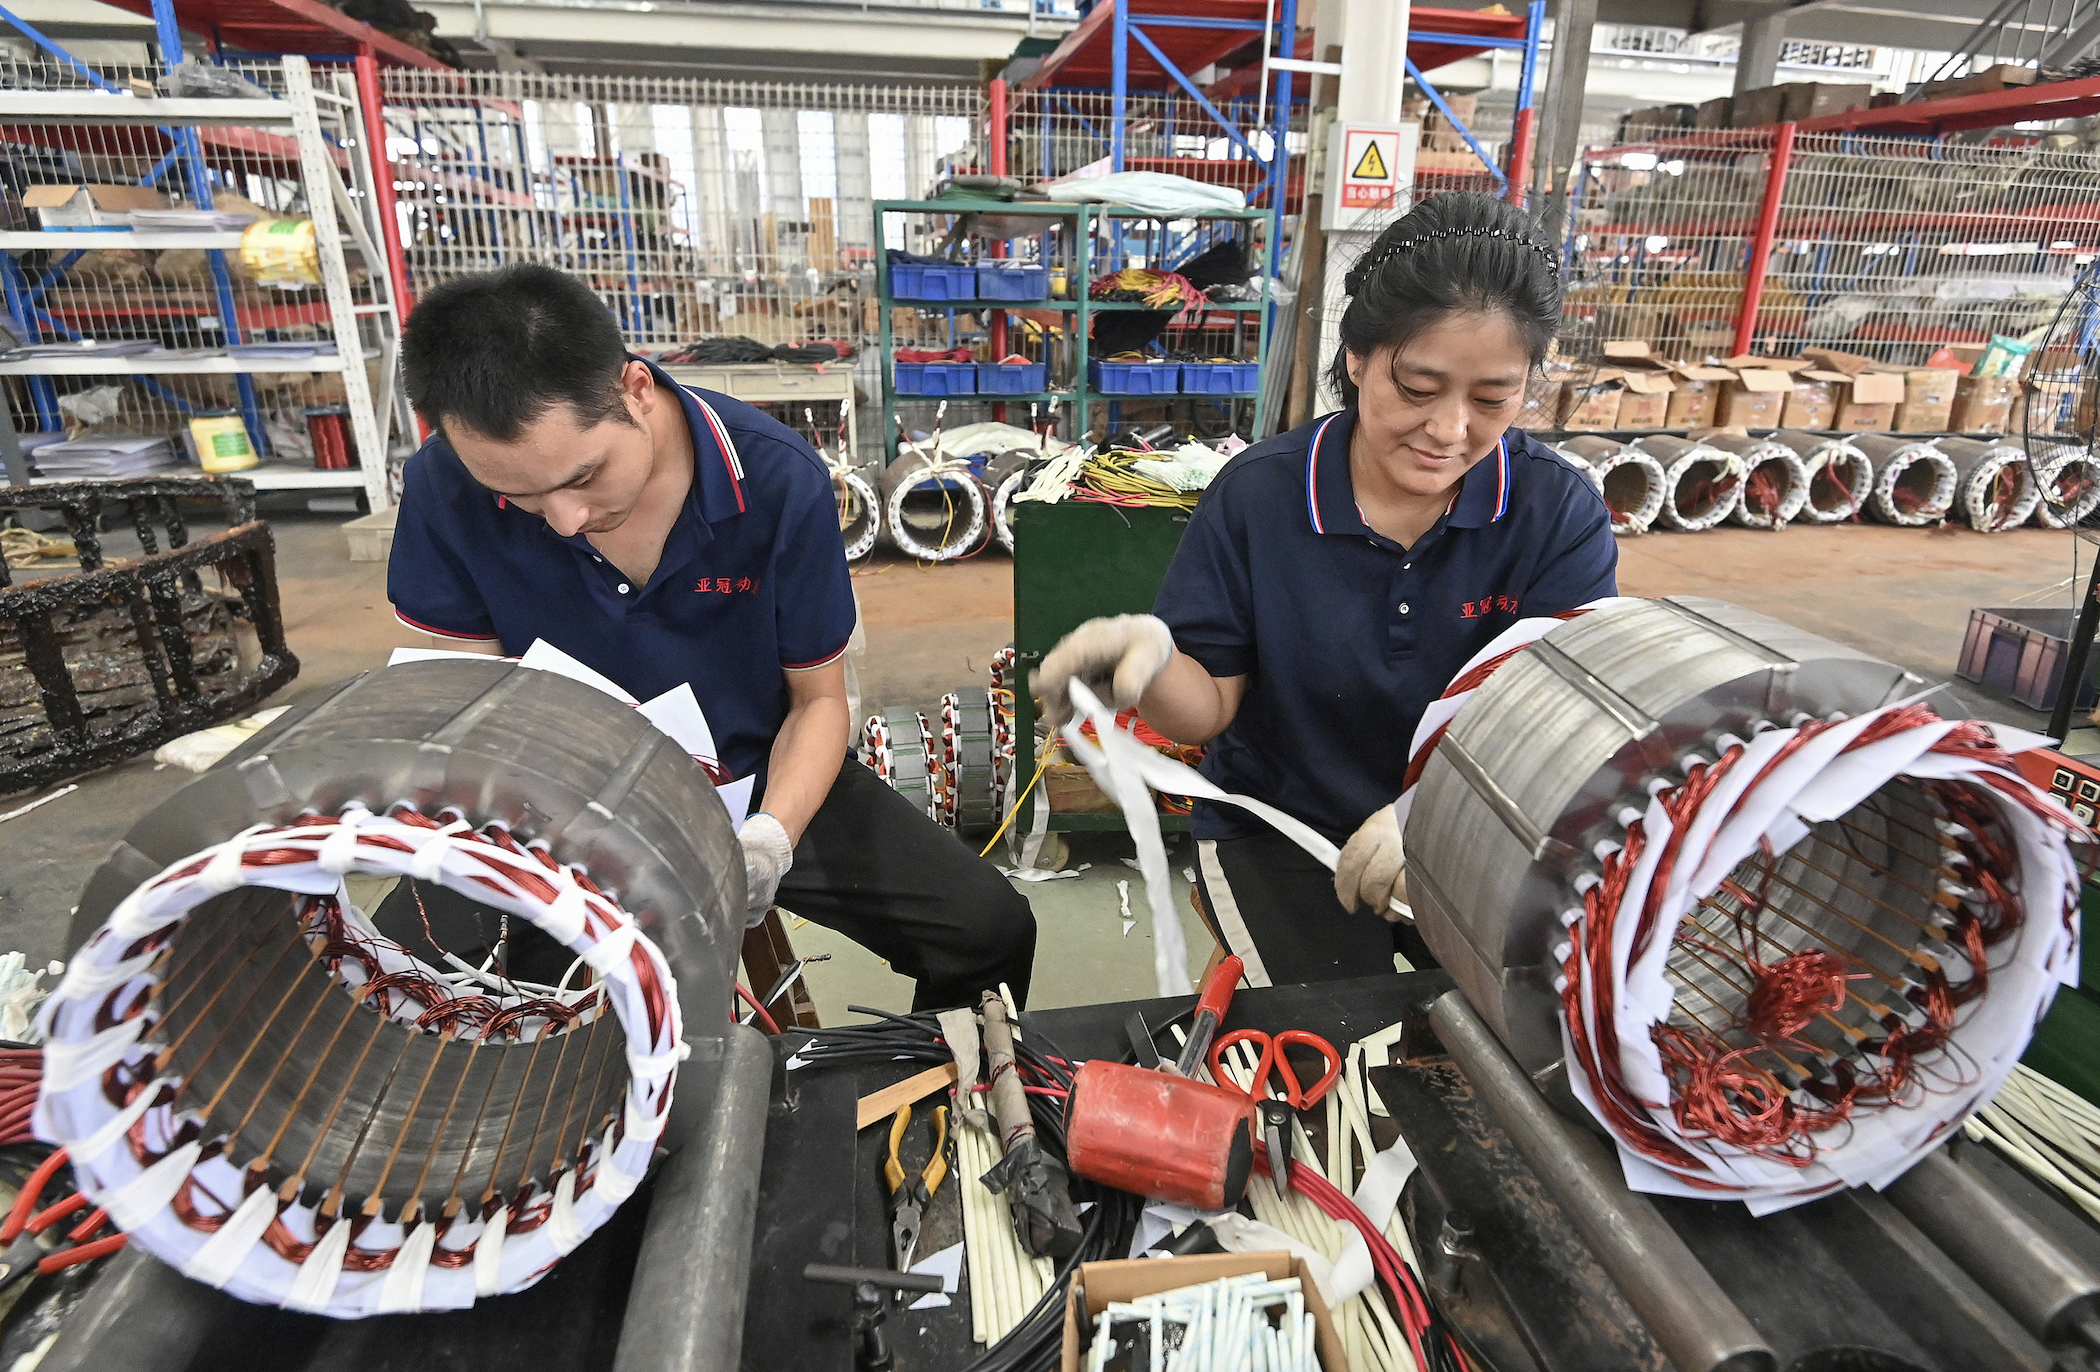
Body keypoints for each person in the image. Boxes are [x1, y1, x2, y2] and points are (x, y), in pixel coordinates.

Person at [384, 264, 1037, 1011]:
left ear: (635, 389)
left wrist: (771, 838)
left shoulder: (774, 480)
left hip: (752, 780)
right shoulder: (446, 486)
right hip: (549, 807)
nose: (564, 520)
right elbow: (462, 700)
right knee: (408, 985)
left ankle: (929, 1083)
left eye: (584, 477)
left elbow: (818, 703)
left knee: (987, 931)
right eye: (519, 496)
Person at [1037, 193, 1617, 988]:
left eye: (1492, 399)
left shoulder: (1555, 513)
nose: (1450, 430)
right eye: (1417, 387)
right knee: (1328, 1031)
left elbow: (1562, 729)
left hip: (1482, 827)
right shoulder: (1262, 497)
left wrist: (1427, 817)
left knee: (1508, 1027)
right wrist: (1151, 663)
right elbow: (1208, 709)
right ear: (1356, 358)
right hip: (1281, 831)